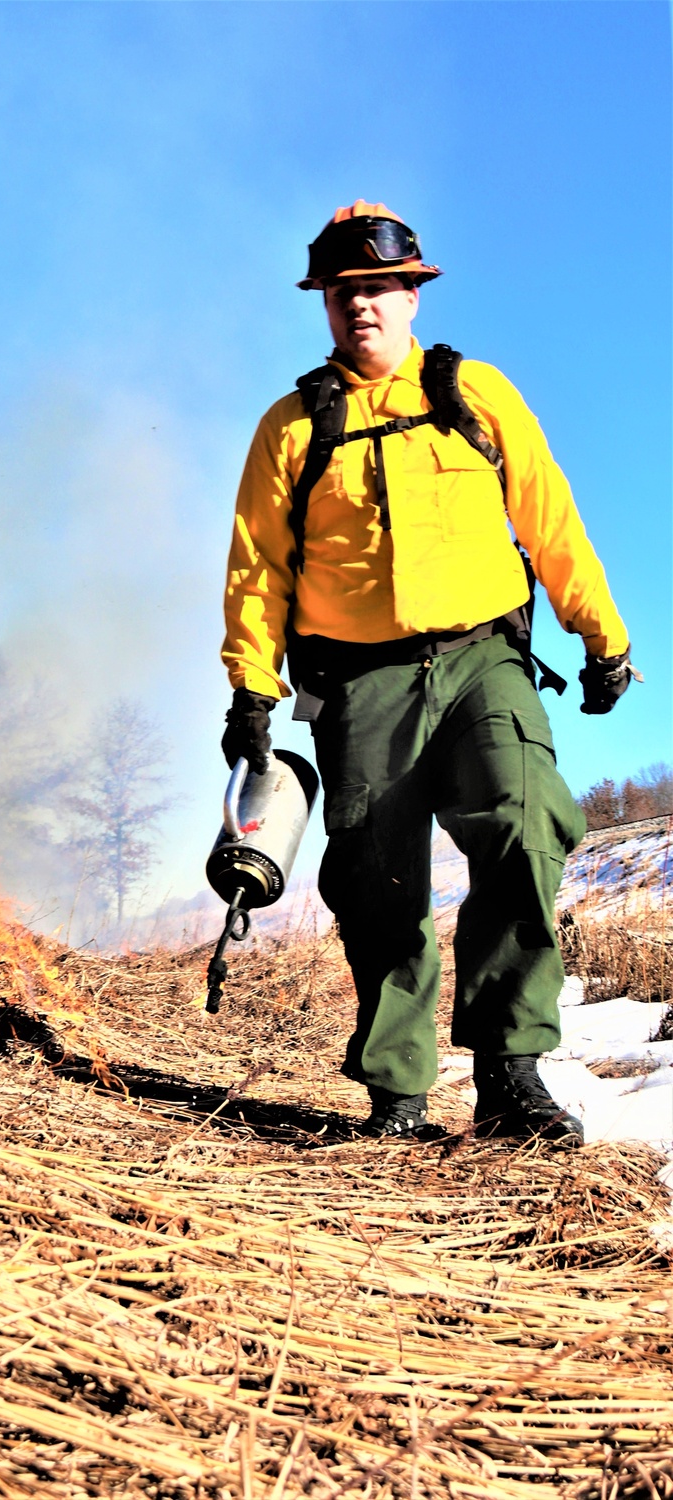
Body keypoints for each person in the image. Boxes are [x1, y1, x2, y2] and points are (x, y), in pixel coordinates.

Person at [220, 201, 637, 1143]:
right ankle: (397, 1096)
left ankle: (509, 1074)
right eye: (342, 292)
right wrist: (253, 685)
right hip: (359, 681)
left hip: (482, 657)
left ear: (413, 294)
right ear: (325, 305)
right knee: (376, 880)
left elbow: (549, 517)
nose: (359, 306)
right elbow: (257, 566)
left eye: (377, 288)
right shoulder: (292, 428)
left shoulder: (475, 394)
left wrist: (600, 635)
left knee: (528, 822)